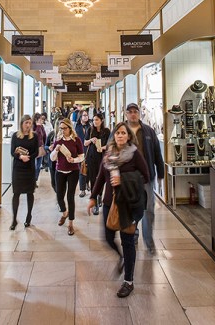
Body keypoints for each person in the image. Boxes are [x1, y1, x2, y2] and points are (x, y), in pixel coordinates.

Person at [87, 121, 149, 298]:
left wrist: (124, 179)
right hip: (109, 201)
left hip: (128, 202)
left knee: (127, 241)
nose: (120, 136)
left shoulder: (134, 154)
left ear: (129, 136)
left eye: (123, 133)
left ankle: (128, 281)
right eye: (117, 133)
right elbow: (100, 177)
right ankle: (120, 258)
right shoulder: (108, 154)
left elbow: (146, 176)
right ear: (114, 136)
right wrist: (93, 197)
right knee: (107, 236)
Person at [125, 102, 165, 253]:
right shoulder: (120, 131)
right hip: (128, 178)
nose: (133, 114)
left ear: (139, 113)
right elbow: (111, 152)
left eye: (135, 111)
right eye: (130, 112)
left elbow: (157, 153)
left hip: (147, 177)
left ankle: (149, 240)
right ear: (126, 114)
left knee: (149, 210)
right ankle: (133, 235)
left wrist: (160, 173)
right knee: (130, 209)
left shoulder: (148, 131)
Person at [49, 118, 84, 235]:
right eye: (61, 128)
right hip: (60, 171)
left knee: (70, 197)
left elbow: (82, 156)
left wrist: (74, 160)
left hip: (73, 171)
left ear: (69, 128)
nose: (62, 130)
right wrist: (56, 150)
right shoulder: (58, 141)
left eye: (64, 128)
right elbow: (52, 158)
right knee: (59, 197)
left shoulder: (76, 140)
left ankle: (70, 224)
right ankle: (64, 213)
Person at [10, 115, 39, 229]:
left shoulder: (34, 136)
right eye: (26, 123)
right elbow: (12, 152)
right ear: (21, 123)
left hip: (29, 168)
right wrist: (20, 157)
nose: (28, 125)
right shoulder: (15, 136)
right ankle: (14, 219)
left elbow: (36, 152)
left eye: (30, 123)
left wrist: (29, 158)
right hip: (18, 168)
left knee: (29, 193)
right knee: (16, 193)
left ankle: (28, 216)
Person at [86, 112, 110, 215]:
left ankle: (100, 195)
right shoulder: (90, 130)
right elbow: (85, 143)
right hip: (91, 158)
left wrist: (103, 148)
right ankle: (94, 201)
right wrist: (91, 140)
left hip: (103, 158)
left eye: (97, 120)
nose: (95, 122)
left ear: (102, 121)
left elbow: (110, 144)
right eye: (94, 120)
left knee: (101, 179)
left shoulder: (107, 131)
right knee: (92, 179)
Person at [75, 110, 92, 197]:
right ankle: (82, 190)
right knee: (82, 170)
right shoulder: (76, 127)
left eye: (87, 115)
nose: (86, 117)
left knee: (88, 170)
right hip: (80, 151)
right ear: (80, 117)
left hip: (89, 150)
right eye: (84, 115)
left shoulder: (90, 126)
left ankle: (87, 183)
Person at [33, 113, 47, 183]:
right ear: (37, 119)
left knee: (38, 166)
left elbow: (44, 136)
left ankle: (35, 180)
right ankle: (33, 180)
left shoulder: (42, 127)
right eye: (41, 119)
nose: (42, 120)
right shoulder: (34, 127)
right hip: (34, 149)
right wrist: (38, 126)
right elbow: (35, 136)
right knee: (34, 166)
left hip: (40, 148)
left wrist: (44, 145)